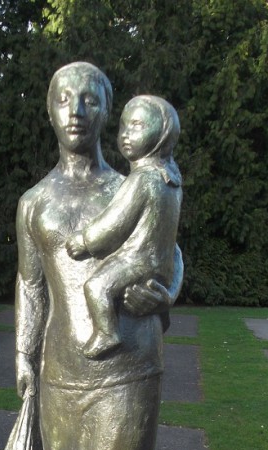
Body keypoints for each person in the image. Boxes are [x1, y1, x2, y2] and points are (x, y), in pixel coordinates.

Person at [15, 62, 183, 450]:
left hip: (127, 363)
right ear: (51, 110)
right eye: (65, 98)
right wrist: (22, 354)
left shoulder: (133, 184)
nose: (77, 110)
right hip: (61, 369)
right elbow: (30, 285)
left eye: (90, 99)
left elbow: (172, 250)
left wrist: (169, 292)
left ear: (107, 112)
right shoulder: (34, 203)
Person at [66, 95, 182, 359]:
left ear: (162, 135)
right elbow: (172, 246)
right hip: (160, 264)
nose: (126, 135)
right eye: (124, 127)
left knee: (97, 285)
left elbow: (113, 225)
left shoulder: (141, 180)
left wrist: (85, 241)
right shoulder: (172, 183)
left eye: (138, 126)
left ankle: (107, 333)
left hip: (137, 260)